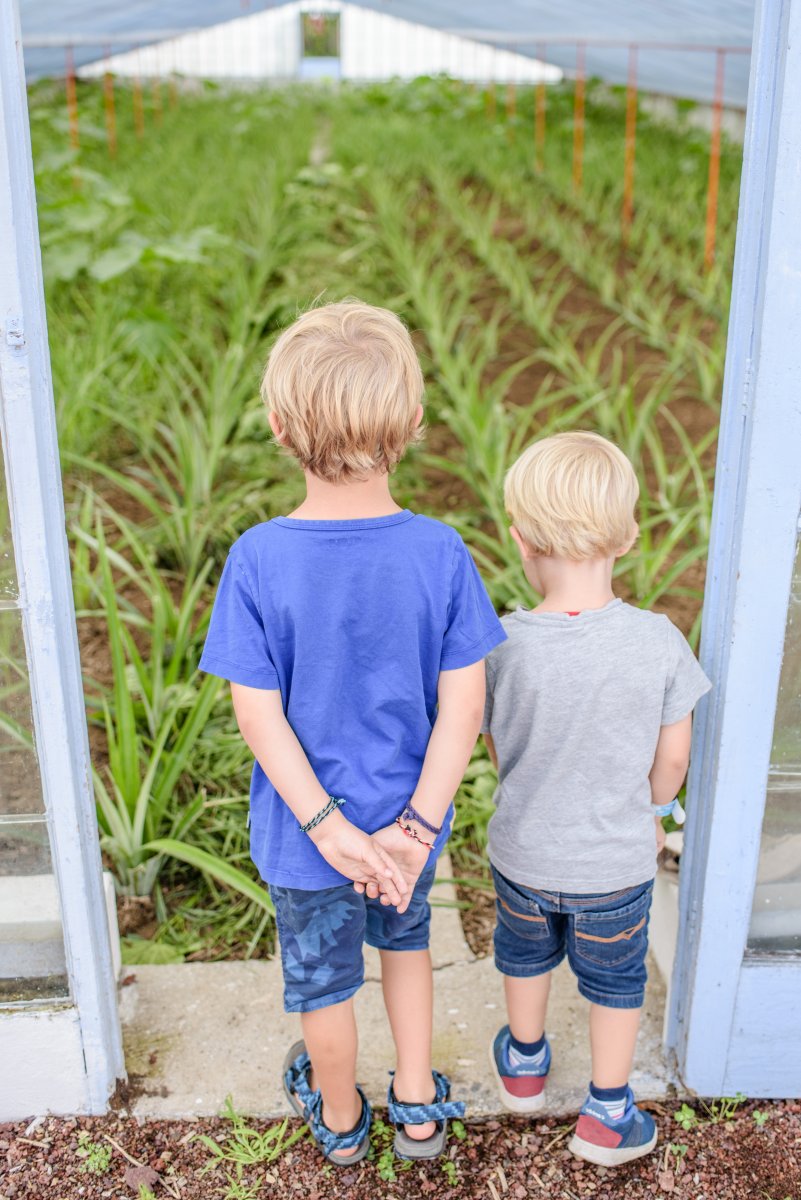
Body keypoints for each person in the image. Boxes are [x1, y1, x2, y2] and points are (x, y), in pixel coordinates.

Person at [198, 301, 506, 1166]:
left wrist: (327, 827)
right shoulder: (440, 552)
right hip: (406, 828)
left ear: (275, 426)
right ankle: (416, 1108)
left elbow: (256, 713)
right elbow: (465, 710)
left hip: (307, 841)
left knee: (324, 983)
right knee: (407, 952)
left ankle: (339, 1120)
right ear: (411, 421)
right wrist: (412, 829)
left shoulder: (258, 557)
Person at [482, 431, 711, 1168]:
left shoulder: (502, 644)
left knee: (523, 956)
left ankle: (522, 1064)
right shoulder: (656, 640)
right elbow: (672, 754)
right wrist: (650, 814)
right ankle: (607, 1114)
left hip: (522, 853)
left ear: (518, 540)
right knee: (615, 981)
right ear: (630, 535)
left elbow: (495, 744)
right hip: (614, 865)